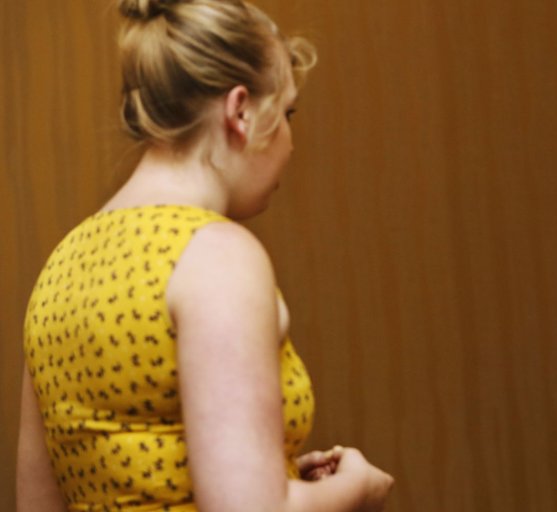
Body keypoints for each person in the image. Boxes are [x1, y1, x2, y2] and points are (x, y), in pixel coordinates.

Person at [16, 1, 393, 510]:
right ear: (240, 111)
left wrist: (275, 476)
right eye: (286, 114)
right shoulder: (216, 258)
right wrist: (358, 487)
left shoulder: (61, 268)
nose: (290, 142)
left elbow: (37, 501)